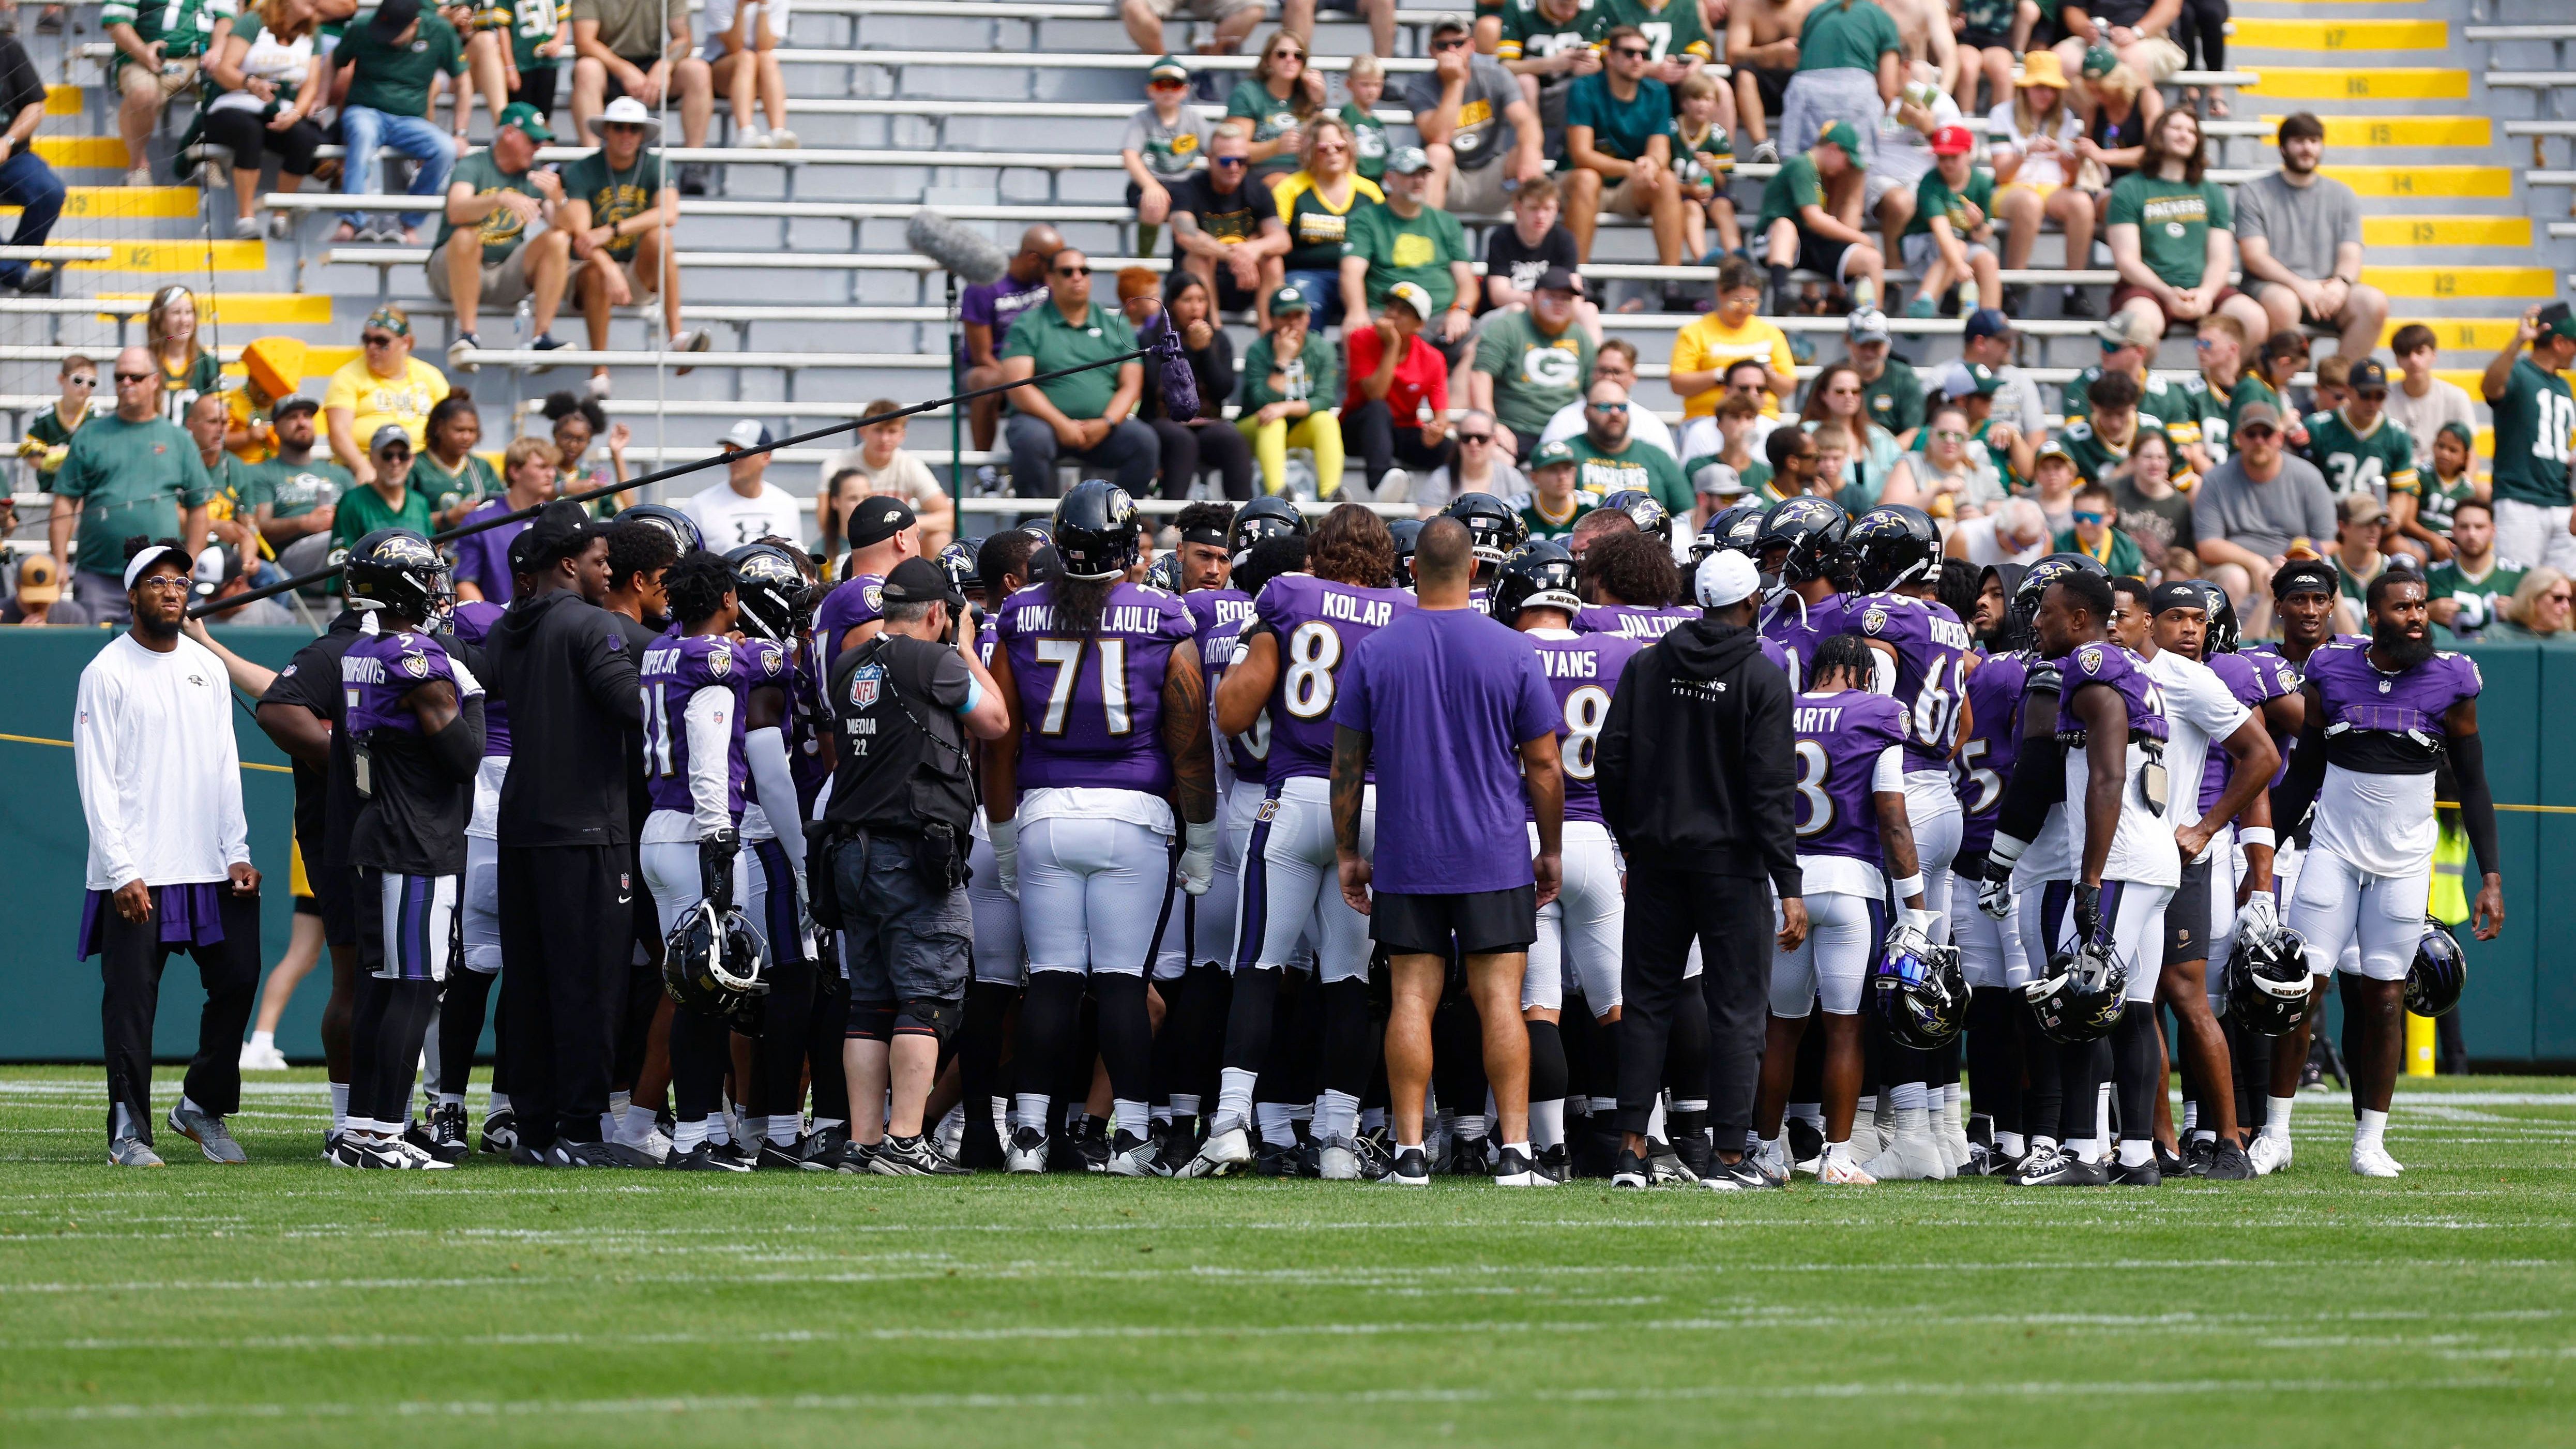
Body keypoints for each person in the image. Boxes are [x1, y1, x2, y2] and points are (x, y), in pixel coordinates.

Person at [983, 482, 1216, 1176]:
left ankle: (1027, 1137)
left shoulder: (1019, 613)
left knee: (1052, 981)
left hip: (1045, 814)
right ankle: (1132, 1138)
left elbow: (997, 740)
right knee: (1120, 984)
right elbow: (1189, 742)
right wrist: (1200, 836)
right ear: (1129, 547)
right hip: (1132, 817)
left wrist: (1001, 835)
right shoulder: (1163, 615)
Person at [1176, 506, 1409, 1180]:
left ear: (1320, 551)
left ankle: (1228, 1125)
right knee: (1346, 977)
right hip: (1373, 804)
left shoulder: (1287, 594)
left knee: (1258, 963)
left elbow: (1233, 711)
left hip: (1297, 793)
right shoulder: (1405, 609)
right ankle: (1337, 1139)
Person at [1331, 516, 1565, 1186]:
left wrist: (1349, 849)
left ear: (1411, 570)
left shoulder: (1375, 651)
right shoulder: (1514, 650)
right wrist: (1548, 848)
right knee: (1500, 999)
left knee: (1410, 996)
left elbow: (1346, 764)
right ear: (1473, 570)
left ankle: (1409, 1151)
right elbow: (1544, 766)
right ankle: (1515, 1151)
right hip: (1492, 850)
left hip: (1409, 848)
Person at [2266, 572, 2503, 1176]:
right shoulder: (2330, 667)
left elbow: (2474, 784)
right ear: (2373, 616)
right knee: (2302, 990)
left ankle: (2368, 1141)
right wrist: (2262, 855)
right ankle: (2275, 1133)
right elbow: (2303, 772)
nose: (2417, 616)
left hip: (2402, 865)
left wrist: (2491, 877)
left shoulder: (2453, 678)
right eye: (2402, 607)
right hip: (2333, 854)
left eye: (2421, 605)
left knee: (2385, 999)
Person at [1598, 547, 1801, 1185]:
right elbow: (1770, 791)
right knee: (1737, 1007)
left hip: (1657, 859)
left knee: (1647, 1001)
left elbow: (1610, 760)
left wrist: (1632, 838)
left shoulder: (1646, 665)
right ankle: (1730, 1155)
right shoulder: (1762, 676)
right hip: (1730, 865)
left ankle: (1632, 1146)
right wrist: (1787, 883)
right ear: (1750, 604)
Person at [74, 540, 264, 1167]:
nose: (171, 592)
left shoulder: (207, 668)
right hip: (136, 872)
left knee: (237, 978)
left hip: (210, 865)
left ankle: (200, 1107)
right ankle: (128, 1132)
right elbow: (96, 778)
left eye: (180, 582)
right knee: (131, 1003)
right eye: (156, 583)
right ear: (132, 595)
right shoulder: (106, 672)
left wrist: (236, 849)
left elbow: (223, 767)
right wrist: (122, 868)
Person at [823, 552, 1010, 1175]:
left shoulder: (848, 663)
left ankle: (865, 1141)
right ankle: (905, 1141)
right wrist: (967, 647)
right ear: (936, 612)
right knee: (926, 997)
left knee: (869, 1001)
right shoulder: (937, 659)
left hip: (849, 850)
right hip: (911, 850)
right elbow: (995, 720)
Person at [480, 501, 642, 1165]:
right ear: (569, 564)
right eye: (602, 561)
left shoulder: (508, 625)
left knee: (532, 986)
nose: (610, 573)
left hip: (521, 825)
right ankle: (582, 1130)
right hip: (585, 830)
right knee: (591, 984)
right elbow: (632, 705)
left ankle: (537, 1128)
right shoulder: (591, 625)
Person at [1486, 539, 1644, 1181]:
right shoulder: (1620, 651)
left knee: (1538, 1006)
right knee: (1616, 1004)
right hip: (1596, 838)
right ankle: (1638, 1139)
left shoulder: (1501, 652)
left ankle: (1548, 1148)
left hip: (1520, 835)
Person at [330, 531, 486, 1168]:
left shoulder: (365, 649)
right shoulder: (416, 658)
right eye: (426, 577)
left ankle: (363, 1130)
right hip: (413, 838)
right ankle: (378, 1134)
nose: (437, 588)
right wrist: (470, 691)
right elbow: (463, 756)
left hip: (386, 828)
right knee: (414, 988)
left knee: (389, 987)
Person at [48, 348, 215, 623]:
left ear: (154, 381)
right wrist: (59, 561)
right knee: (96, 654)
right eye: (120, 376)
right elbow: (64, 502)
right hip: (98, 578)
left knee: (158, 658)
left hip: (159, 580)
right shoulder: (90, 435)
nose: (126, 383)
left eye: (136, 377)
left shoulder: (178, 439)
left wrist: (191, 564)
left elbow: (199, 507)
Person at [564, 96, 713, 388]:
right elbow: (582, 237)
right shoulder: (582, 170)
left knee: (662, 238)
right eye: (619, 128)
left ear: (643, 133)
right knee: (595, 275)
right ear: (606, 130)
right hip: (591, 266)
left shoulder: (656, 164)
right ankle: (599, 370)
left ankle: (676, 338)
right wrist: (608, 267)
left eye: (634, 128)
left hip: (635, 267)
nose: (627, 135)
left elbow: (669, 214)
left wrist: (613, 230)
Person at [998, 246, 1156, 499]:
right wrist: (1061, 423)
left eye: (1084, 271)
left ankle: (1125, 523)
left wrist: (1106, 423)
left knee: (1144, 441)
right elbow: (1019, 385)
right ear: (1050, 279)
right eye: (1067, 271)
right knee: (1031, 439)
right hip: (1044, 424)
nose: (1077, 277)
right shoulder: (1028, 324)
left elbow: (1131, 385)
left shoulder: (1116, 324)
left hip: (1103, 427)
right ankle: (1030, 525)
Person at [2105, 107, 2270, 346]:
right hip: (2148, 290)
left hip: (2202, 290)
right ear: (2159, 135)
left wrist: (2206, 294)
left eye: (2192, 131)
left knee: (2253, 319)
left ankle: (2228, 382)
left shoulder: (2211, 192)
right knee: (2138, 327)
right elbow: (2127, 260)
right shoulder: (2129, 189)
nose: (2185, 135)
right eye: (2176, 128)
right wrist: (2167, 293)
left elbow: (2221, 259)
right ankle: (2141, 385)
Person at [2231, 112, 2380, 362]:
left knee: (2373, 303)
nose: (2307, 148)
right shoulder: (2254, 192)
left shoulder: (2343, 195)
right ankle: (2280, 388)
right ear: (2282, 147)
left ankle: (2338, 388)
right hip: (2271, 288)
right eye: (2299, 141)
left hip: (2326, 291)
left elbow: (2352, 254)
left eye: (2314, 141)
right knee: (2285, 302)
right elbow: (2254, 257)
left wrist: (2341, 284)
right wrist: (2300, 286)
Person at [435, 102, 572, 363]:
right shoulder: (474, 165)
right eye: (533, 140)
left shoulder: (535, 175)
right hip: (455, 271)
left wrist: (558, 199)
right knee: (465, 237)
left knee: (557, 239)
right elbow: (456, 211)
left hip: (505, 273)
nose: (538, 148)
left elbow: (566, 229)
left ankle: (541, 338)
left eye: (540, 142)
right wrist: (499, 199)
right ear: (509, 133)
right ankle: (467, 336)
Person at [329, 0, 464, 245]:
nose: (387, 38)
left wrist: (461, 132)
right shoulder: (362, 27)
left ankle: (408, 222)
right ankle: (350, 219)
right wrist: (318, 101)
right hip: (366, 110)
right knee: (362, 133)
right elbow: (334, 61)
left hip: (411, 119)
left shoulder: (440, 31)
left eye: (395, 32)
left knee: (446, 149)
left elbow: (463, 81)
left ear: (416, 23)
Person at [1561, 27, 1684, 275]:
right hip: (1579, 183)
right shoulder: (1584, 88)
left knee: (1667, 180)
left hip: (1629, 187)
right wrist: (1633, 168)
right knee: (1587, 178)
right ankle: (1573, 279)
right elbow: (1581, 155)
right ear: (1610, 56)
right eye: (1629, 53)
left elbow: (1661, 149)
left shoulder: (1657, 92)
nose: (1638, 60)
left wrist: (1651, 163)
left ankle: (1672, 281)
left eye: (1644, 54)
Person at [203, 0, 329, 240]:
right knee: (250, 131)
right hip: (235, 103)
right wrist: (250, 83)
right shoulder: (253, 22)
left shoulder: (313, 32)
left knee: (304, 137)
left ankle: (281, 214)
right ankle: (246, 218)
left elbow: (311, 85)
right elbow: (223, 70)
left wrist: (294, 115)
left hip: (281, 108)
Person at [2192, 402, 2337, 610]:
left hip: (2294, 566)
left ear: (2279, 437)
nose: (2259, 441)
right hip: (2239, 571)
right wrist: (2256, 563)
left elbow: (2329, 541)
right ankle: (2228, 641)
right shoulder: (2216, 479)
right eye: (2251, 434)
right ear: (2238, 439)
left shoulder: (2309, 476)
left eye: (2267, 433)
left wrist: (2293, 562)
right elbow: (2208, 545)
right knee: (2235, 577)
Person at [1339, 146, 1475, 355]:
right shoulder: (1367, 219)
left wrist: (1461, 310)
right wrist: (1357, 312)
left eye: (1423, 174)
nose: (1419, 180)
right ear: (1389, 178)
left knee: (1487, 343)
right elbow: (1351, 272)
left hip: (1440, 316)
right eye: (1410, 174)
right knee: (1358, 335)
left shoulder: (1446, 222)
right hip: (1389, 315)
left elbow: (1466, 280)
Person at [1408, 13, 1543, 215]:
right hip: (1449, 183)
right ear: (1431, 52)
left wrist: (1531, 151)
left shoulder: (1496, 75)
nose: (1452, 50)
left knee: (1529, 151)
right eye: (1443, 46)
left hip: (1492, 177)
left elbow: (1526, 121)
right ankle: (1429, 238)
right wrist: (1455, 83)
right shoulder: (1420, 86)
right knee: (1437, 152)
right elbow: (1438, 137)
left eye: (1458, 43)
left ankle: (1532, 241)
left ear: (1471, 46)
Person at [568, 0, 713, 188]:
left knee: (698, 71)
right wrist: (623, 70)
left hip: (653, 63)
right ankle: (592, 161)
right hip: (607, 65)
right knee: (586, 69)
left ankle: (695, 162)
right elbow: (584, 42)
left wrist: (664, 66)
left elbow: (684, 39)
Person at [1136, 273, 1253, 503]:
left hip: (1206, 422)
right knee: (1182, 441)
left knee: (1233, 440)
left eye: (1201, 300)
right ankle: (1171, 522)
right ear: (1172, 304)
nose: (1195, 307)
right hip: (1162, 421)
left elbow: (1224, 389)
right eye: (1187, 300)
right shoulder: (1152, 339)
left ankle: (1241, 518)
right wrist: (1187, 350)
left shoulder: (1218, 340)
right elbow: (1153, 386)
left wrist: (1205, 351)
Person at [2479, 304, 2576, 577]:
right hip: (2520, 500)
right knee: (2518, 586)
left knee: (2564, 591)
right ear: (2559, 343)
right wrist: (2518, 342)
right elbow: (2490, 387)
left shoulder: (2564, 384)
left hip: (2560, 501)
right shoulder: (2520, 372)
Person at [1670, 258, 1798, 463]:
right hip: (1708, 417)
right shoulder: (1695, 332)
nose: (1745, 308)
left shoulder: (1770, 332)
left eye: (1753, 302)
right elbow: (1678, 383)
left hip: (1762, 417)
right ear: (1721, 293)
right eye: (1738, 300)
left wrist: (1766, 374)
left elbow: (1787, 387)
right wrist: (1722, 374)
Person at [1753, 119, 1885, 315]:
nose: (1846, 168)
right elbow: (1814, 218)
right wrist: (1860, 237)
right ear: (1833, 149)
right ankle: (1780, 294)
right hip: (1774, 241)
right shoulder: (1802, 165)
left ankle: (1875, 321)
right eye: (1847, 160)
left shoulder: (1820, 175)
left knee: (1872, 260)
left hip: (1807, 243)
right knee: (1785, 225)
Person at [1263, 116, 1380, 323]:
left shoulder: (1370, 192)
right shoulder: (1290, 188)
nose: (1332, 153)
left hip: (1359, 276)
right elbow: (1276, 236)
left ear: (1350, 149)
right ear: (1310, 152)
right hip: (1306, 274)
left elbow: (1384, 241)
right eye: (1323, 149)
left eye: (1339, 147)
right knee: (1305, 310)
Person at [1344, 281, 1455, 499]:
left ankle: (1448, 498)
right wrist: (1393, 345)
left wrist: (1436, 431)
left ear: (1419, 326)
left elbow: (1441, 415)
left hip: (1401, 432)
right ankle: (1380, 486)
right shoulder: (1360, 338)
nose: (1392, 314)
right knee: (1378, 409)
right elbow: (1375, 394)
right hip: (1358, 430)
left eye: (1403, 311)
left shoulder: (1433, 358)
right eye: (1390, 307)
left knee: (1448, 447)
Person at [1471, 267, 1595, 459]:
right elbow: (1481, 375)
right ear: (1534, 297)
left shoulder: (1580, 336)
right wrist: (1492, 424)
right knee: (1495, 456)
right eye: (1552, 296)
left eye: (1566, 299)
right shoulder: (1507, 328)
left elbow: (1594, 389)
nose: (1560, 303)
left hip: (1564, 433)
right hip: (1513, 429)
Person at [103, 0, 229, 188]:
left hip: (203, 59)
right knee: (143, 92)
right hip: (146, 57)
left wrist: (218, 49)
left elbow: (227, 18)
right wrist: (143, 52)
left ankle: (207, 158)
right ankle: (138, 166)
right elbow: (116, 21)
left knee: (230, 83)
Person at [1236, 284, 1343, 499]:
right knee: (1273, 420)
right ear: (1273, 320)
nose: (1293, 322)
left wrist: (1285, 407)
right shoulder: (1258, 349)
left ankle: (1331, 496)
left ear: (1308, 317)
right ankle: (1279, 496)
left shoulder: (1322, 348)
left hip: (1299, 428)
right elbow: (1261, 401)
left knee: (1326, 420)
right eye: (1286, 316)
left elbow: (1325, 399)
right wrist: (1282, 361)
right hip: (1255, 427)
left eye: (1299, 315)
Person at [324, 306, 448, 484]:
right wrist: (361, 466)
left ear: (407, 343)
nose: (371, 347)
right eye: (367, 340)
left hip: (423, 468)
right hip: (369, 465)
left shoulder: (431, 376)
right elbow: (338, 432)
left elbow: (450, 423)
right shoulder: (348, 376)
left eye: (381, 341)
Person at [812, 403, 956, 554]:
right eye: (878, 430)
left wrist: (902, 522)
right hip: (850, 545)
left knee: (939, 538)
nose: (884, 439)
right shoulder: (837, 465)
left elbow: (950, 518)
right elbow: (825, 522)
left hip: (896, 546)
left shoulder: (910, 465)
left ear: (902, 435)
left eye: (892, 431)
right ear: (862, 431)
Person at [234, 393, 352, 579]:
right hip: (291, 558)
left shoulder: (339, 474)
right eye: (292, 417)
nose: (302, 422)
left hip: (337, 547)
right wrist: (305, 523)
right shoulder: (262, 473)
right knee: (338, 541)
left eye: (307, 416)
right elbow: (260, 528)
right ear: (276, 428)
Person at [1166, 127, 1276, 323]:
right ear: (1210, 159)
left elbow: (1282, 239)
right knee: (1199, 258)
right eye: (1226, 161)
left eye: (1241, 161)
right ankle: (1212, 334)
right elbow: (1186, 235)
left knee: (1273, 261)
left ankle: (1269, 339)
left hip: (1247, 280)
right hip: (1199, 284)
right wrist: (1233, 256)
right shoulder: (1187, 189)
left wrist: (1252, 250)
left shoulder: (1258, 188)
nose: (1234, 167)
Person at [1780, 0, 1902, 170]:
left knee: (1804, 172)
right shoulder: (1881, 17)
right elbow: (1888, 90)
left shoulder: (1815, 12)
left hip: (1805, 93)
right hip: (1856, 92)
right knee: (1855, 173)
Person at [1901, 124, 1998, 318]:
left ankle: (1990, 320)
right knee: (1959, 248)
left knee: (1988, 260)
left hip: (1958, 245)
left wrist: (1978, 224)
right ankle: (1923, 303)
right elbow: (1940, 229)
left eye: (1954, 157)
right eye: (1942, 157)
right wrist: (1959, 265)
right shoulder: (1931, 182)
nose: (1947, 164)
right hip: (1922, 244)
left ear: (1969, 153)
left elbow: (1983, 234)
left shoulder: (1982, 183)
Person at [1124, 56, 1213, 260]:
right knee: (1154, 204)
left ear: (1185, 90)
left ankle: (1184, 263)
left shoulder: (1194, 119)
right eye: (1160, 84)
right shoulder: (1142, 118)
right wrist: (1150, 185)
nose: (1167, 90)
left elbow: (1213, 154)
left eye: (1174, 85)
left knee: (1186, 214)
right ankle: (1144, 260)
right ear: (1150, 90)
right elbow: (1129, 155)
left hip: (1186, 184)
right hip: (1151, 181)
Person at [451, 436, 558, 602]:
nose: (551, 474)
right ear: (515, 471)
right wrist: (492, 624)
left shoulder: (561, 518)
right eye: (542, 467)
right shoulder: (480, 520)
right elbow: (465, 583)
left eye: (553, 468)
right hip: (497, 623)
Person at [1565, 380, 1689, 516]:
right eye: (1605, 407)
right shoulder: (1568, 453)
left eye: (1622, 407)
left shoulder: (1657, 456)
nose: (1615, 413)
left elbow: (1687, 512)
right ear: (1587, 413)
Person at [1498, 0, 1611, 144]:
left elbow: (1596, 59)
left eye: (1574, 5)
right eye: (1563, 5)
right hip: (1532, 82)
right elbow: (1505, 66)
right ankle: (1532, 143)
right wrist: (1551, 64)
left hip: (1570, 81)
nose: (1570, 13)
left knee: (1590, 80)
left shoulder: (1592, 6)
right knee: (1525, 82)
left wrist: (1592, 65)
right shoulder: (1519, 7)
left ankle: (1581, 147)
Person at [678, 418, 804, 547]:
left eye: (742, 451)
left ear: (766, 457)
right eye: (729, 450)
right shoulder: (699, 506)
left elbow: (797, 562)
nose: (734, 458)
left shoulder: (787, 505)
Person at [1536, 340, 1674, 458]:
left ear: (1633, 377)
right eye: (1603, 370)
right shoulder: (1565, 419)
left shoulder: (1651, 424)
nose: (1608, 378)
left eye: (1617, 372)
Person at [1227, 29, 1325, 192]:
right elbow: (1234, 151)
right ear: (1267, 60)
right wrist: (1275, 147)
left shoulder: (1308, 93)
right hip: (1260, 174)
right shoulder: (1249, 93)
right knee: (1282, 183)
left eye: (1298, 56)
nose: (1290, 60)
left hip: (1305, 173)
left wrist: (1318, 102)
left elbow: (1321, 145)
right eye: (1282, 54)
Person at [2384, 325, 2476, 478]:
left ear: (2434, 355)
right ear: (2397, 360)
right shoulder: (2381, 398)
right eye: (2405, 354)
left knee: (2485, 492)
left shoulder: (2456, 397)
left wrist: (2463, 487)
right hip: (2397, 478)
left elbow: (2471, 453)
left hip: (2442, 480)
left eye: (2420, 352)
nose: (2413, 360)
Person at [702, 0, 792, 150]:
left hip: (756, 73)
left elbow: (766, 46)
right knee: (746, 58)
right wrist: (741, 7)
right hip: (721, 71)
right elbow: (734, 46)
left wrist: (764, 6)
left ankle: (778, 132)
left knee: (767, 58)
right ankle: (745, 132)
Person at [2424, 500, 2517, 640]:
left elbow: (2546, 629)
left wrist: (2521, 615)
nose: (2472, 534)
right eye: (2464, 527)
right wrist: (2427, 612)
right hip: (2448, 659)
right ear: (2453, 531)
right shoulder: (2432, 575)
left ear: (2493, 530)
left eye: (2479, 527)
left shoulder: (2520, 577)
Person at [334, 426, 437, 550]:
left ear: (411, 460)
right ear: (372, 458)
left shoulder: (420, 503)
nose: (395, 462)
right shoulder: (352, 502)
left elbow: (431, 553)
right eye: (387, 456)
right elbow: (339, 557)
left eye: (403, 456)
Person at [414, 393, 501, 525]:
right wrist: (447, 517)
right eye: (460, 430)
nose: (467, 437)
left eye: (472, 431)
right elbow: (403, 521)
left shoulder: (481, 467)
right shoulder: (414, 466)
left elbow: (501, 510)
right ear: (440, 428)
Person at [1843, 308, 1924, 446]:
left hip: (1893, 456)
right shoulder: (1832, 377)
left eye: (1876, 345)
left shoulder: (1904, 377)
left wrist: (1884, 459)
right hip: (1841, 454)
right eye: (1863, 345)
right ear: (1848, 341)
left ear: (1888, 343)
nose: (1869, 352)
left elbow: (1913, 430)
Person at [19, 356, 97, 491]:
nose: (85, 387)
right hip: (53, 485)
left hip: (85, 487)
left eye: (92, 383)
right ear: (62, 379)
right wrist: (47, 457)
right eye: (78, 380)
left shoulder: (95, 417)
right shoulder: (47, 415)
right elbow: (25, 449)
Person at [1425, 409, 1528, 505]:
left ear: (1495, 440)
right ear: (1458, 441)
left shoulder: (1511, 477)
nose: (1474, 443)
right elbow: (1431, 522)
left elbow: (1526, 519)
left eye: (1482, 438)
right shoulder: (1441, 479)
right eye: (1467, 438)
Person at [1515, 438, 1595, 541]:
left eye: (1567, 469)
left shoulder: (1593, 507)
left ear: (1575, 473)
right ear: (1534, 478)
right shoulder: (1517, 511)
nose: (1562, 477)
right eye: (1553, 470)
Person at [1946, 493, 2049, 568]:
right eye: (2020, 546)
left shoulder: (2044, 539)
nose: (2028, 551)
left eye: (2034, 544)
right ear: (2000, 531)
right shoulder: (1965, 538)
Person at [2, 553, 88, 625]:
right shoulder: (2, 613)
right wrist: (20, 639)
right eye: (31, 598)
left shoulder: (73, 616)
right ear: (17, 586)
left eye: (46, 598)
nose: (39, 603)